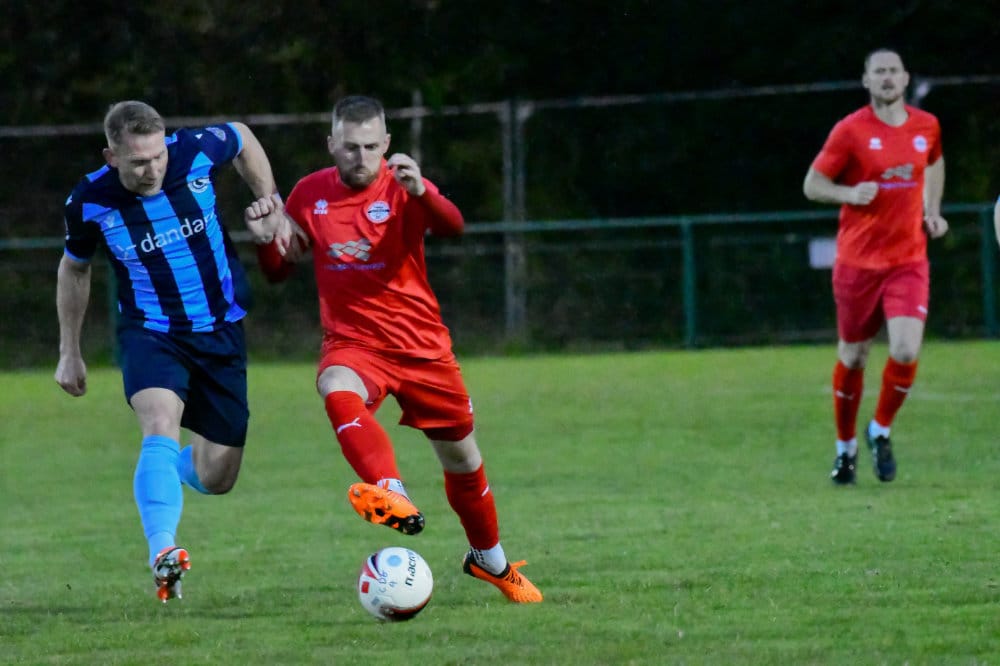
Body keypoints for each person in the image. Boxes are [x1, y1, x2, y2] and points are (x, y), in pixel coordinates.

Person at [253, 95, 542, 603]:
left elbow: (453, 227)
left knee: (463, 460)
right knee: (334, 384)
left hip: (421, 345)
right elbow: (279, 271)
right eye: (350, 147)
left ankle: (490, 561)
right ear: (331, 144)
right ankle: (390, 490)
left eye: (371, 147)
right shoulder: (309, 194)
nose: (361, 157)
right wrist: (264, 241)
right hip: (354, 342)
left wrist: (424, 191)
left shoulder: (403, 185)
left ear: (386, 143)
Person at [55, 100, 289, 602]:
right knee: (160, 422)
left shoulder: (195, 151)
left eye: (158, 156)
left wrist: (271, 200)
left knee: (217, 476)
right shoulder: (89, 201)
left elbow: (242, 134)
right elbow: (74, 268)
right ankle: (163, 551)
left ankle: (166, 474)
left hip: (220, 331)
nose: (153, 169)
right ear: (112, 156)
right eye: (138, 161)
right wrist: (69, 351)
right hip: (151, 332)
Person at [803, 49, 948, 485]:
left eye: (893, 71)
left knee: (905, 350)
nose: (887, 78)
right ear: (866, 81)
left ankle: (879, 430)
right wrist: (849, 194)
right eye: (879, 71)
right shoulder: (850, 130)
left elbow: (934, 161)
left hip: (908, 260)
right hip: (858, 264)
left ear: (905, 79)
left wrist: (932, 210)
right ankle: (845, 448)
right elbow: (813, 184)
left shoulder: (927, 125)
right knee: (853, 356)